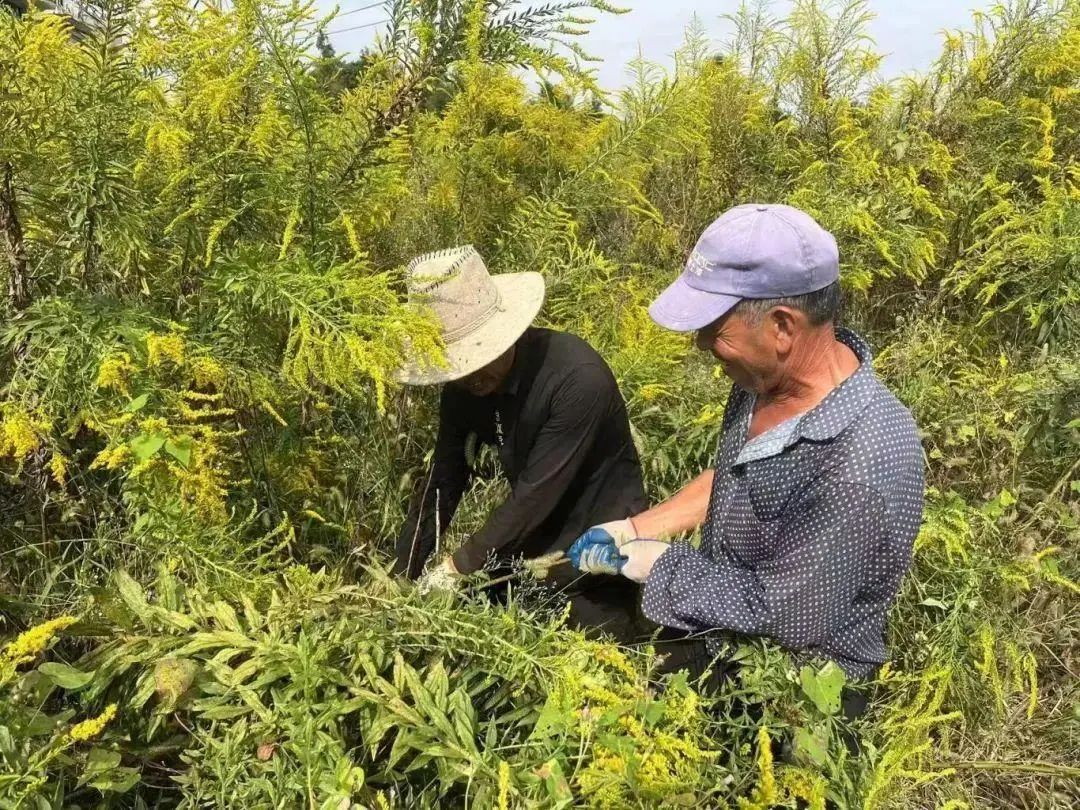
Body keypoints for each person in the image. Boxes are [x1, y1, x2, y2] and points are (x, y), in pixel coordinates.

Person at [568, 204, 925, 707]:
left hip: (792, 697)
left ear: (782, 327)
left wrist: (660, 564)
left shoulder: (859, 464)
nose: (700, 344)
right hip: (721, 643)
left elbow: (784, 614)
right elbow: (738, 478)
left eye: (714, 329)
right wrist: (637, 528)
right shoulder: (763, 382)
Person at [394, 245, 648, 642]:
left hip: (597, 550)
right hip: (527, 546)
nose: (471, 376)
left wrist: (457, 567)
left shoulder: (576, 379)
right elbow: (442, 483)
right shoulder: (464, 390)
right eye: (460, 367)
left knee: (594, 658)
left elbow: (534, 496)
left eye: (480, 358)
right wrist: (402, 574)